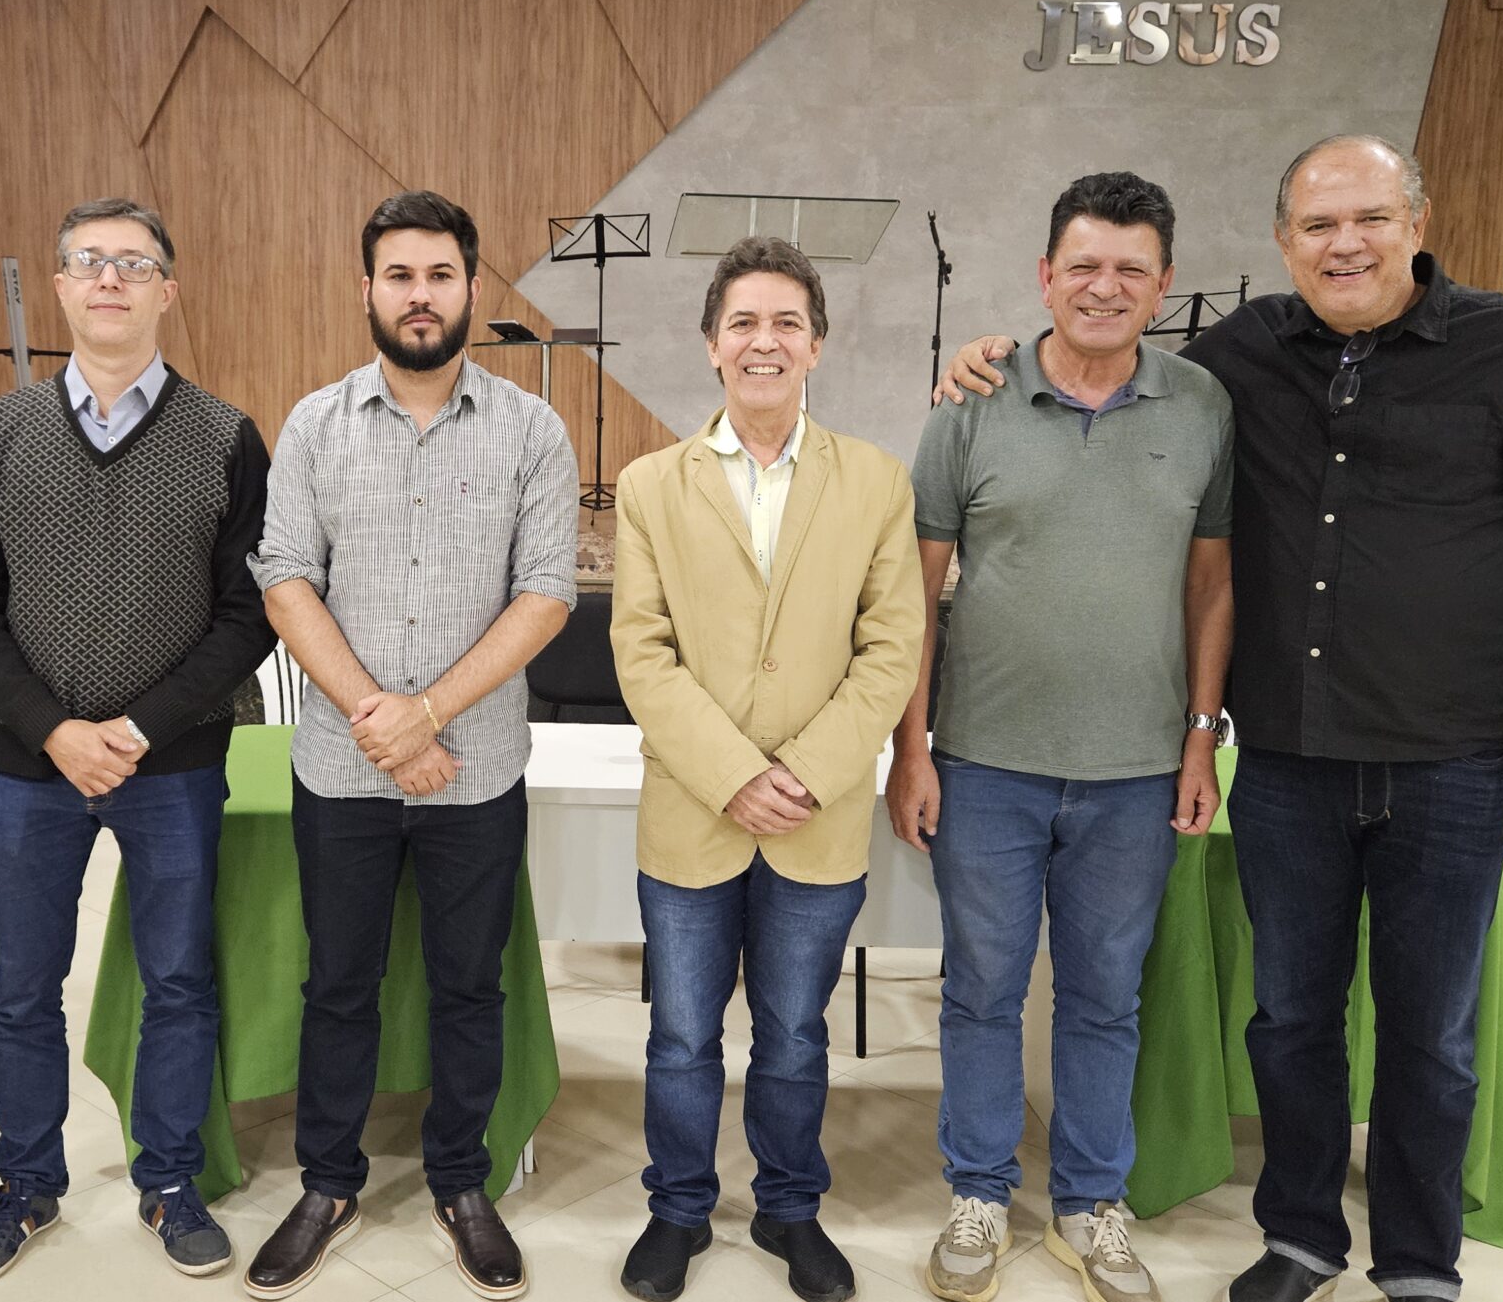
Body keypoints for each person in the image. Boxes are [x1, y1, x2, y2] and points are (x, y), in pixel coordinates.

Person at [937, 135, 1503, 1302]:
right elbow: (1106, 354)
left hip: (1449, 763)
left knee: (1430, 1033)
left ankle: (1418, 1261)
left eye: (1370, 218)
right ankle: (1302, 1238)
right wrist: (992, 356)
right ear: (1283, 242)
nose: (1346, 244)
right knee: (1289, 1022)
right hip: (1286, 761)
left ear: (1417, 224)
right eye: (1319, 225)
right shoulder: (1243, 354)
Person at [893, 173, 1233, 1302]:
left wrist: (1199, 739)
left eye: (1131, 268)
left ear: (1163, 285)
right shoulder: (972, 403)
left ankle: (1090, 1205)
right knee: (981, 990)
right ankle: (980, 1193)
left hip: (1137, 771)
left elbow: (1212, 585)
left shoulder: (1201, 406)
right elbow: (913, 592)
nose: (1105, 286)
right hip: (985, 763)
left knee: (1104, 997)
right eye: (1083, 264)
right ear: (1044, 274)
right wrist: (911, 747)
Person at [0, 198, 275, 1287]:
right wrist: (54, 729)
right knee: (22, 986)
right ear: (61, 287)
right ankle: (26, 1181)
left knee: (178, 980)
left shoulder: (225, 435)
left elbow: (247, 616)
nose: (111, 279)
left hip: (169, 762)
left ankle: (169, 1178)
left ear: (169, 289)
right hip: (25, 760)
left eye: (135, 263)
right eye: (89, 262)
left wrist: (131, 728)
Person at [245, 190, 577, 1302]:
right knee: (339, 983)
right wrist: (382, 720)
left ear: (472, 287)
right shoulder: (314, 424)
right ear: (368, 289)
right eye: (400, 275)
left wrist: (428, 714)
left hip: (474, 772)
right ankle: (327, 1182)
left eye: (440, 275)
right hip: (341, 768)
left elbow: (545, 594)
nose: (420, 295)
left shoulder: (532, 429)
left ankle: (460, 1181)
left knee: (467, 987)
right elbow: (285, 580)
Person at [608, 236, 923, 1302]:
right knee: (681, 1035)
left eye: (787, 321)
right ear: (711, 344)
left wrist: (806, 772)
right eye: (742, 321)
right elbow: (641, 652)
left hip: (815, 817)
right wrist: (732, 774)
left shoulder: (874, 480)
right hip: (691, 813)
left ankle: (790, 1208)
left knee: (793, 1034)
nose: (764, 340)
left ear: (816, 345)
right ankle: (677, 1209)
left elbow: (892, 647)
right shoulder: (650, 485)